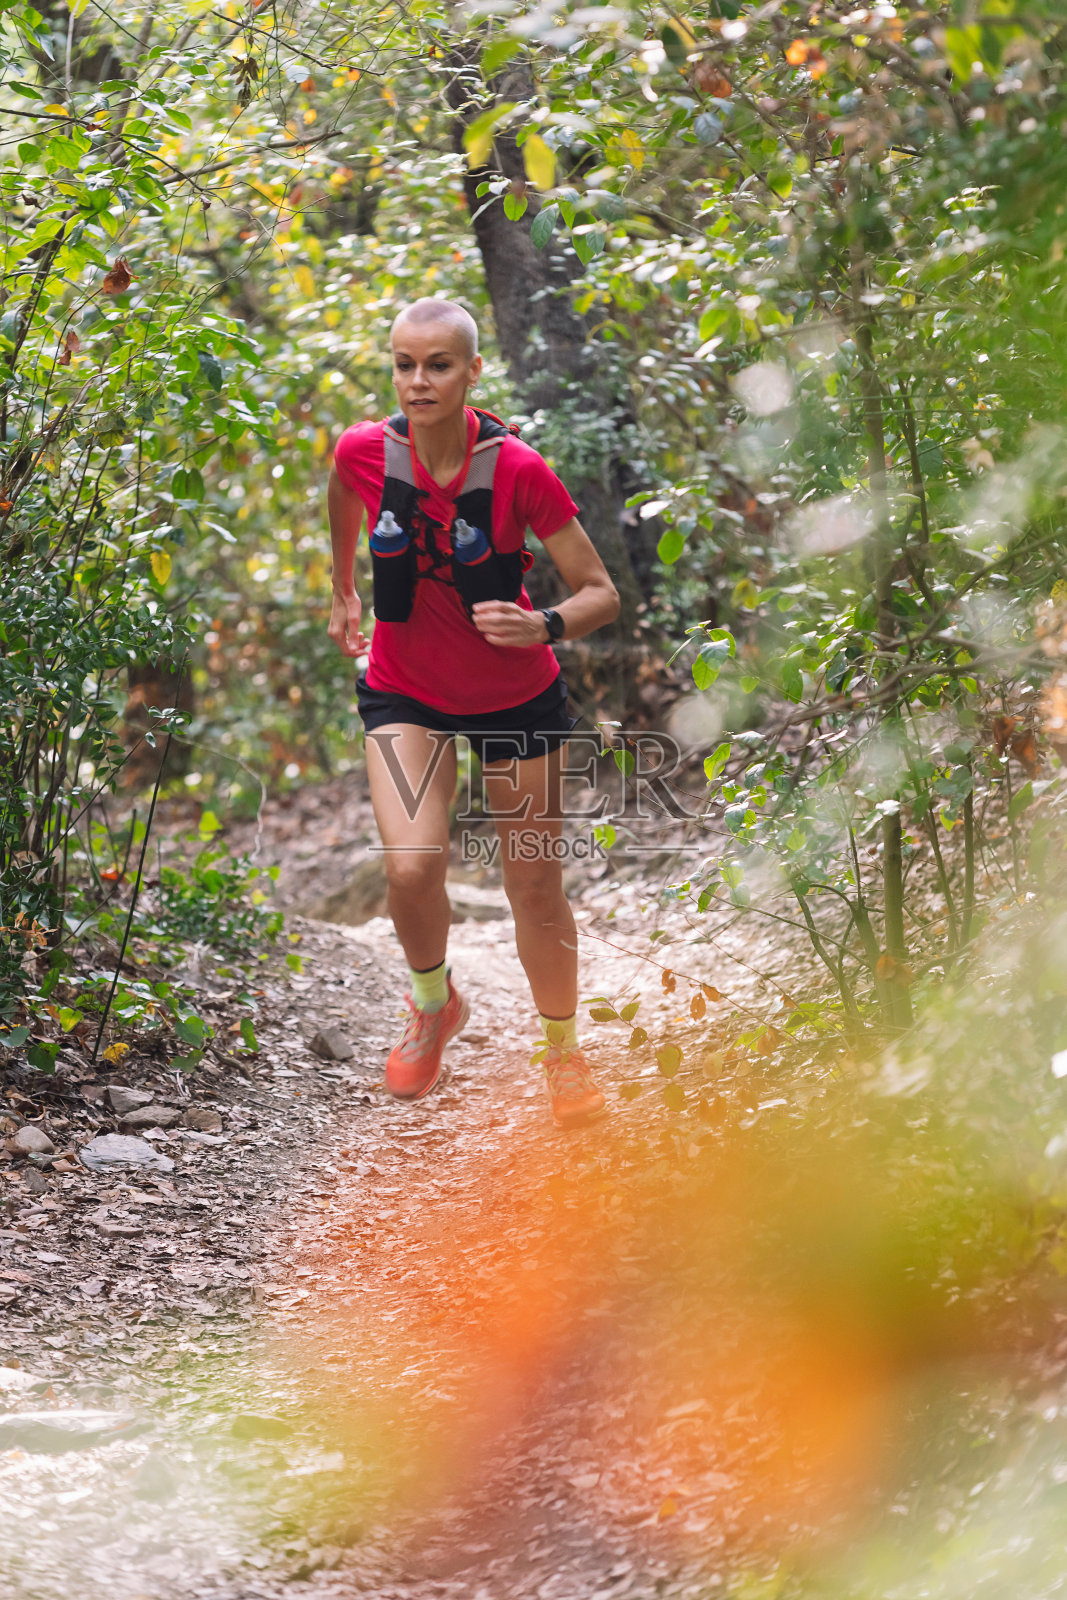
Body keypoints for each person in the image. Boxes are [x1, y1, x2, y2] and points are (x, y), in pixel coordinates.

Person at [326, 297, 620, 1129]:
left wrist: (544, 624)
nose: (418, 381)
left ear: (470, 372)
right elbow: (340, 502)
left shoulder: (518, 470)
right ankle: (432, 1005)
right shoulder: (363, 453)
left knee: (533, 883)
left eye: (438, 365)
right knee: (411, 866)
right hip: (403, 687)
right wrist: (343, 587)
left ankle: (562, 1053)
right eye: (404, 364)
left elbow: (602, 593)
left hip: (514, 695)